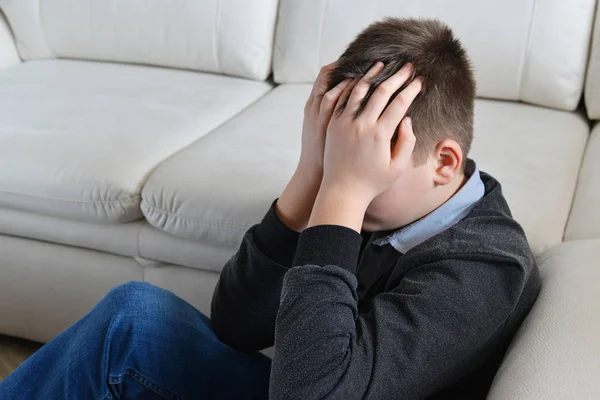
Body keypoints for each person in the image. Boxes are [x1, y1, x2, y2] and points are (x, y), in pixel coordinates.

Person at [0, 18, 541, 400]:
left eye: (366, 160)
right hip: (307, 382)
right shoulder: (394, 208)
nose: (343, 172)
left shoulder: (483, 267)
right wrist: (309, 180)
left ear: (444, 163)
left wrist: (342, 200)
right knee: (134, 318)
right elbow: (235, 326)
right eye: (334, 153)